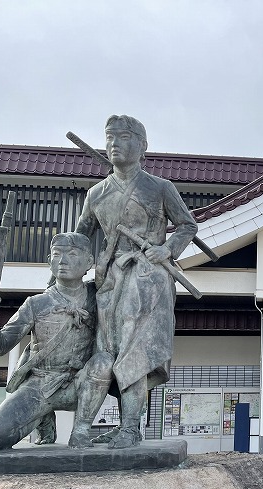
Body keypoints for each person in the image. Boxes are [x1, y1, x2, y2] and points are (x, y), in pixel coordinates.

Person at [75, 115, 198, 449]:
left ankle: (131, 427)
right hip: (110, 280)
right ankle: (120, 424)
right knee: (109, 351)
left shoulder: (159, 187)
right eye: (110, 136)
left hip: (148, 279)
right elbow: (81, 236)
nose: (115, 143)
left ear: (143, 145)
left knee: (137, 350)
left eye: (125, 136)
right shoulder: (97, 193)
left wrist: (166, 249)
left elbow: (187, 225)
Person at [0, 233, 113, 450]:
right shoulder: (35, 304)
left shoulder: (98, 297)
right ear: (49, 261)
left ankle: (80, 431)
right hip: (41, 384)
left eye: (72, 254)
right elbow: (0, 346)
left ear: (89, 263)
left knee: (104, 361)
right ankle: (42, 416)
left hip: (82, 383)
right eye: (57, 254)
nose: (63, 261)